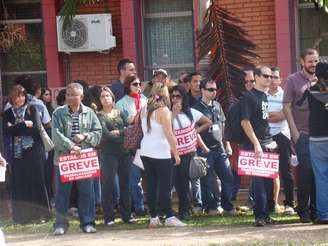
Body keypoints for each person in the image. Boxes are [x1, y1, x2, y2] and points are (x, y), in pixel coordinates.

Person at [52, 83, 102, 235]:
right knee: (62, 193)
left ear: (82, 96)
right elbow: (56, 133)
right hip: (65, 157)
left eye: (74, 95)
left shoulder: (90, 113)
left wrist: (85, 136)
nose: (71, 98)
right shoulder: (58, 113)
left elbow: (98, 132)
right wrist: (71, 146)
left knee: (87, 191)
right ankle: (60, 224)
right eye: (68, 95)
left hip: (84, 157)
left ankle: (87, 222)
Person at [140, 83, 186, 228]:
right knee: (165, 186)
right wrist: (176, 154)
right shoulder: (163, 110)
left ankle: (154, 217)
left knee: (151, 186)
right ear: (165, 94)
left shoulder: (144, 108)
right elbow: (169, 133)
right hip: (160, 152)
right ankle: (170, 217)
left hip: (145, 150)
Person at [3, 85, 51, 224]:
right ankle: (23, 217)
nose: (21, 98)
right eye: (18, 96)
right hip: (17, 153)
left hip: (35, 150)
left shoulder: (32, 108)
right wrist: (24, 124)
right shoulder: (7, 113)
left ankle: (42, 215)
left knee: (37, 182)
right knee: (20, 183)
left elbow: (36, 128)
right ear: (12, 97)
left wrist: (16, 127)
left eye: (23, 95)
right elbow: (6, 131)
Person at [283, 48, 318, 223]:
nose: (313, 64)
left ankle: (316, 210)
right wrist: (293, 131)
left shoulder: (322, 79)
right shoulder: (292, 80)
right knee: (306, 172)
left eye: (316, 61)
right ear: (302, 62)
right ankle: (303, 209)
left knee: (318, 173)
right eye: (310, 61)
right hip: (302, 134)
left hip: (320, 135)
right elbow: (287, 107)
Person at [193, 78, 236, 215]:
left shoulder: (217, 105)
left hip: (219, 148)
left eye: (215, 89)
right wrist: (204, 148)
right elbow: (194, 130)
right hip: (204, 149)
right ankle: (211, 207)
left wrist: (227, 144)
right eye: (210, 89)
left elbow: (222, 126)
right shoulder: (195, 108)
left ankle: (228, 206)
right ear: (202, 90)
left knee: (228, 176)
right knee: (208, 180)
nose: (214, 92)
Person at [240, 65, 275, 226]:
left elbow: (263, 120)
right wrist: (256, 144)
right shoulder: (249, 97)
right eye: (266, 76)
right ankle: (259, 216)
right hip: (255, 145)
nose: (270, 79)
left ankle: (266, 214)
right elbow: (245, 122)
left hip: (268, 142)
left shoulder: (264, 96)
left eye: (271, 76)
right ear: (257, 77)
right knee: (259, 182)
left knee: (268, 182)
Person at [170, 85, 212, 220]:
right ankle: (183, 209)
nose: (175, 99)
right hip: (173, 154)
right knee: (178, 183)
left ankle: (185, 211)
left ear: (184, 97)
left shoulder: (192, 112)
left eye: (178, 96)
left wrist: (195, 132)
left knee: (184, 182)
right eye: (173, 96)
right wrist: (173, 114)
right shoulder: (167, 113)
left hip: (189, 153)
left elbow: (207, 122)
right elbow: (166, 130)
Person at [96, 87, 133, 225]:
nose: (105, 98)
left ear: (112, 98)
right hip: (108, 153)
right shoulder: (99, 115)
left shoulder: (120, 112)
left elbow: (129, 129)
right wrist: (121, 134)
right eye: (102, 96)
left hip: (125, 153)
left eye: (108, 96)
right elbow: (106, 134)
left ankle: (127, 216)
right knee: (108, 185)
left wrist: (120, 133)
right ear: (100, 100)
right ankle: (109, 217)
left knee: (126, 184)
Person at [299, 62, 328, 224]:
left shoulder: (311, 91)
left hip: (317, 140)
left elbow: (300, 107)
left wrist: (310, 87)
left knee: (322, 178)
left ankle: (324, 215)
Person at [116, 74, 147, 216]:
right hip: (133, 144)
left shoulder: (146, 99)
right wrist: (139, 114)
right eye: (135, 84)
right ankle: (139, 207)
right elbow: (125, 122)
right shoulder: (121, 103)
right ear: (128, 85)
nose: (138, 86)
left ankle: (153, 206)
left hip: (148, 141)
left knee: (150, 177)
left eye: (140, 84)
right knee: (134, 178)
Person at [267, 67, 295, 215]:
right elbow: (261, 116)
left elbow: (282, 116)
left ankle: (289, 204)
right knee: (268, 172)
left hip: (282, 136)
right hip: (266, 137)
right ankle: (270, 204)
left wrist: (271, 115)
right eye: (270, 77)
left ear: (280, 79)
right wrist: (273, 115)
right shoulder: (262, 95)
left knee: (286, 171)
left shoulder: (285, 95)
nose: (272, 80)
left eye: (275, 77)